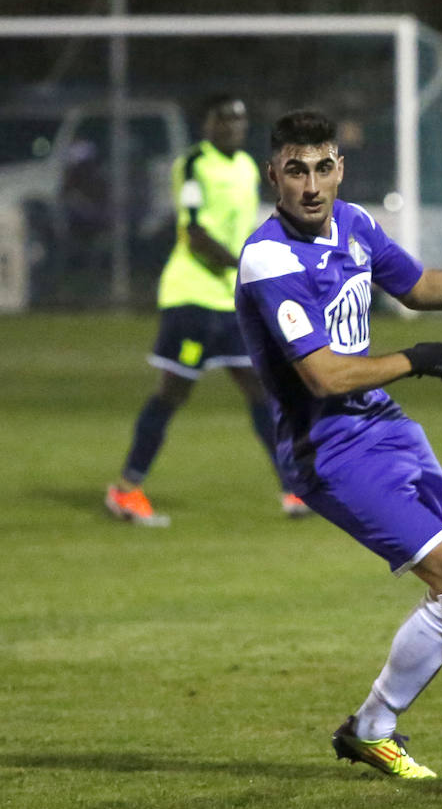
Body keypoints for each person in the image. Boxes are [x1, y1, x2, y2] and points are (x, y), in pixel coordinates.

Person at [234, 108, 442, 780]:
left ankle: (372, 727)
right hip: (326, 449)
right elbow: (324, 375)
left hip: (386, 428)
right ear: (274, 173)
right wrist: (411, 360)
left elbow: (416, 285)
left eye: (323, 167)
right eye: (295, 170)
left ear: (340, 169)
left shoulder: (355, 224)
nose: (310, 184)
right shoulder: (268, 258)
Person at [105, 94, 303, 526]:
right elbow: (194, 233)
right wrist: (242, 265)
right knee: (173, 393)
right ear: (207, 123)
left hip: (229, 302)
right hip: (191, 298)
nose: (233, 124)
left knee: (259, 389)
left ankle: (294, 489)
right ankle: (125, 489)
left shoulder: (248, 167)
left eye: (240, 117)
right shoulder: (194, 164)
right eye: (224, 117)